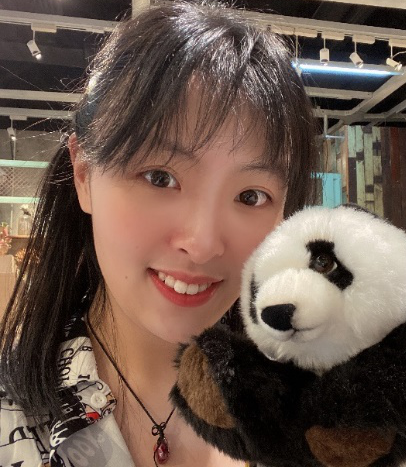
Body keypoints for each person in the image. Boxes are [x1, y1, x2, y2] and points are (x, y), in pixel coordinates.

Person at [0, 1, 317, 466]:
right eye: (159, 177)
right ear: (84, 174)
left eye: (251, 196)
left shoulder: (309, 411)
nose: (203, 244)